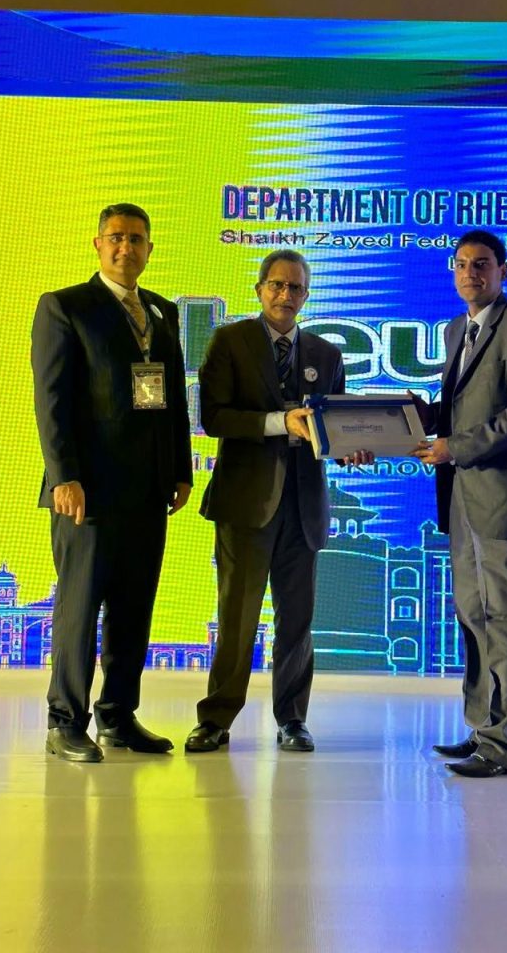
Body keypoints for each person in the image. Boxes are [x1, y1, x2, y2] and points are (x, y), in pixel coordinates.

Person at [185, 249, 371, 754]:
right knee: (237, 617)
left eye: (296, 288)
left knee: (297, 622)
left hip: (303, 507)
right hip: (245, 504)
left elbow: (332, 428)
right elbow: (215, 418)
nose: (285, 295)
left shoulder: (326, 355)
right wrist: (278, 422)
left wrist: (349, 448)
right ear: (260, 289)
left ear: (306, 296)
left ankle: (292, 719)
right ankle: (215, 719)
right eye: (277, 285)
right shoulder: (230, 342)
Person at [32, 203, 192, 762]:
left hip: (147, 490)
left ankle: (118, 717)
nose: (127, 247)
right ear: (98, 244)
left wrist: (180, 469)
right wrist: (64, 477)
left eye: (137, 238)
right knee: (80, 610)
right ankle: (64, 722)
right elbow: (51, 400)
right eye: (116, 237)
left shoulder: (162, 311)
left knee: (133, 609)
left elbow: (172, 398)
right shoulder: (65, 307)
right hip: (87, 492)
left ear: (150, 249)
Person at [412, 230, 507, 777]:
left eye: (481, 264)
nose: (470, 273)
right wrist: (410, 418)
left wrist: (456, 447)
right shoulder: (457, 329)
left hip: (506, 497)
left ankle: (503, 747)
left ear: (503, 271)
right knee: (474, 616)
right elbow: (460, 410)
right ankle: (482, 730)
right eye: (461, 264)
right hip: (463, 498)